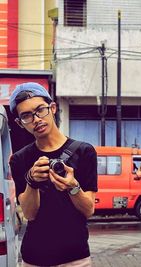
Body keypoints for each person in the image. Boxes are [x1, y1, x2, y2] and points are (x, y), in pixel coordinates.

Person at [8, 82, 98, 267]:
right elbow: (29, 214)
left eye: (40, 110)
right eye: (26, 116)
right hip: (35, 258)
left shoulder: (84, 151)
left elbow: (88, 210)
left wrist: (73, 187)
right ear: (19, 123)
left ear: (53, 108)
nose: (36, 119)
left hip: (76, 258)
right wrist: (31, 181)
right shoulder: (19, 159)